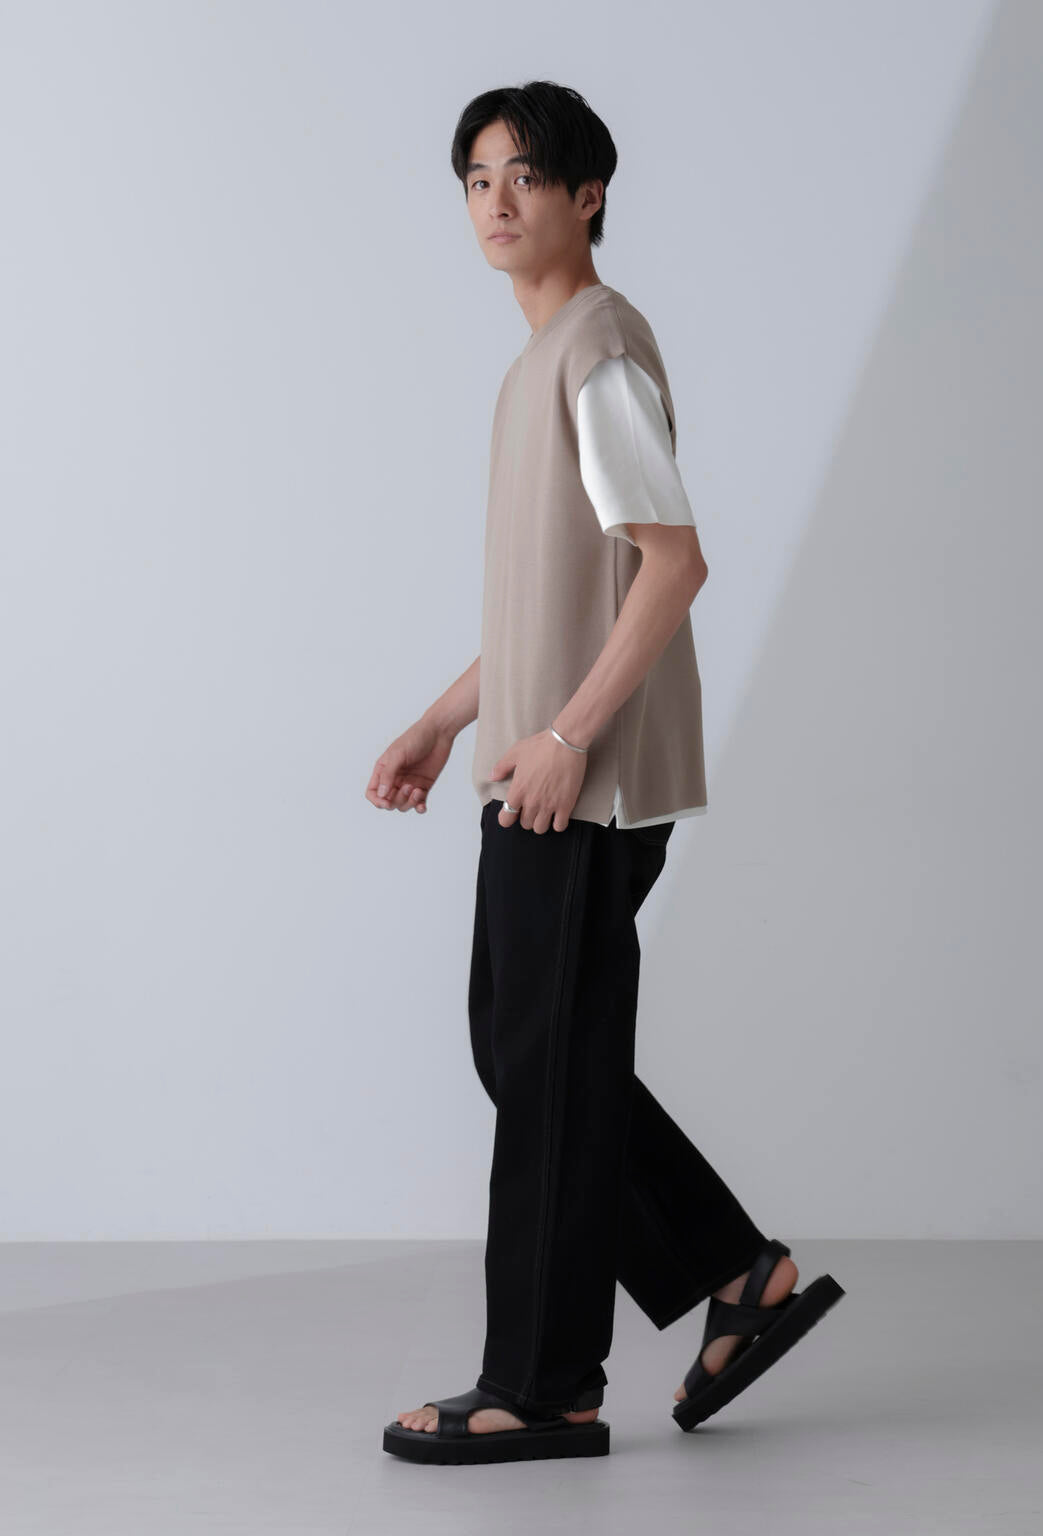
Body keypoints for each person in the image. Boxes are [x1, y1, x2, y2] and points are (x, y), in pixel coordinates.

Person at [373, 81, 843, 1466]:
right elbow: (553, 605)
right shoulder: (542, 362)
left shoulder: (599, 353)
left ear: (588, 196)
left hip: (582, 781)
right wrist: (447, 718)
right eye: (476, 179)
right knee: (527, 1054)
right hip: (538, 769)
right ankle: (740, 1276)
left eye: (525, 175)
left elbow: (674, 567)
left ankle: (543, 1387)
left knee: (546, 1069)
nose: (497, 200)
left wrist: (569, 738)